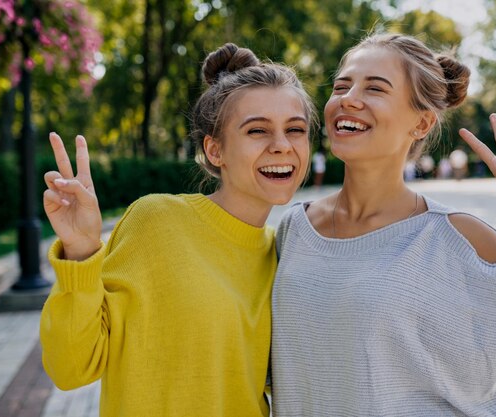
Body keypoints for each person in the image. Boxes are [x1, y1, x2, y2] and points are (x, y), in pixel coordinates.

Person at [271, 33, 496, 416]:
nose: (348, 98)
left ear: (423, 122)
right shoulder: (295, 227)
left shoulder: (457, 239)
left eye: (375, 88)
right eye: (341, 85)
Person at [40, 43, 316, 417]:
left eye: (295, 129)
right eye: (257, 130)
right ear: (215, 151)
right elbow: (72, 369)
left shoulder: (286, 253)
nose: (282, 146)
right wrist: (81, 250)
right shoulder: (155, 221)